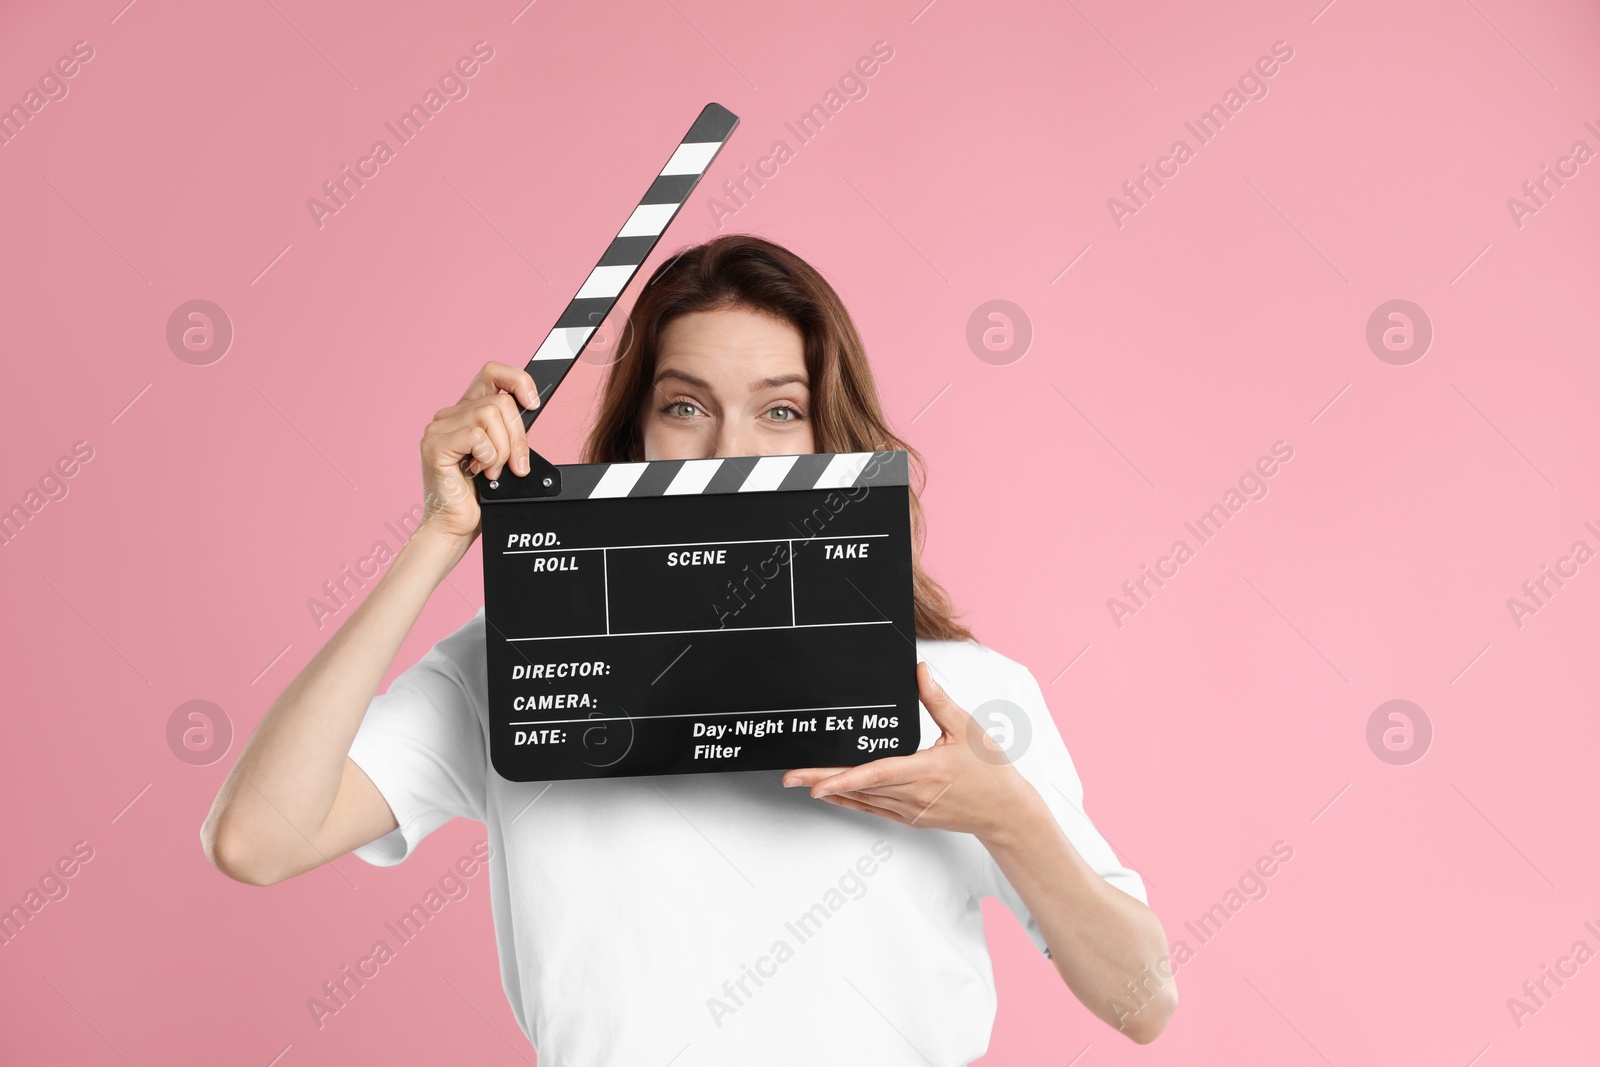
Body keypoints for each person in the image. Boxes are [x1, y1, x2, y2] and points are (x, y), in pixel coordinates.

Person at [201, 234, 1176, 1063]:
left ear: (831, 434)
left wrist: (1006, 813)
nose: (728, 447)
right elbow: (256, 837)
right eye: (683, 404)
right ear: (632, 437)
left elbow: (1141, 998)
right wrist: (437, 537)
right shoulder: (527, 662)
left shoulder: (964, 694)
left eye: (779, 408)